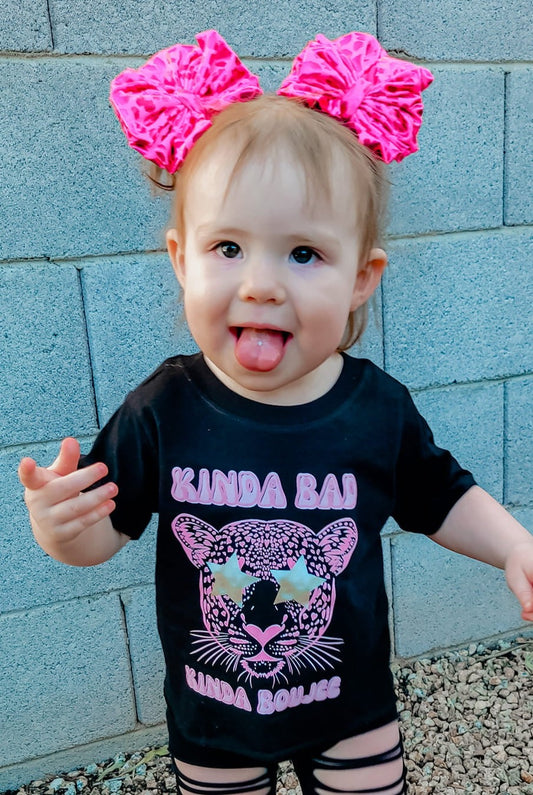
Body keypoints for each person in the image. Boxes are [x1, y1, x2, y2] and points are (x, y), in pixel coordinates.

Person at [18, 30, 533, 795]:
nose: (260, 284)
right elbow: (106, 531)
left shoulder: (376, 408)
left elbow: (441, 496)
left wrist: (514, 544)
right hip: (213, 715)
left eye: (302, 254)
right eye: (228, 247)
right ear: (180, 259)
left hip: (350, 706)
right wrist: (62, 530)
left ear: (361, 277)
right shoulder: (161, 409)